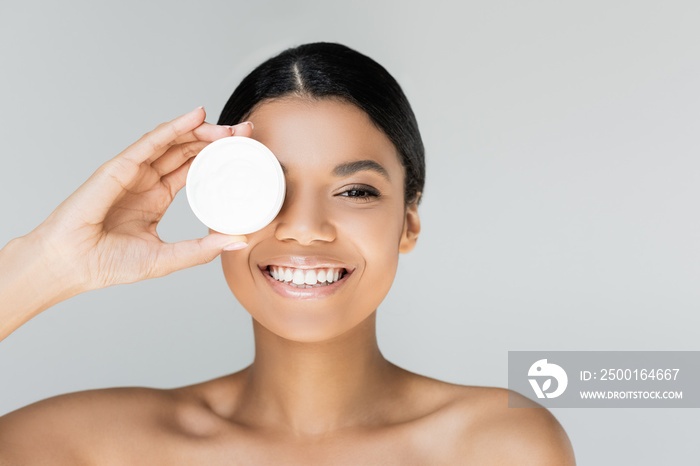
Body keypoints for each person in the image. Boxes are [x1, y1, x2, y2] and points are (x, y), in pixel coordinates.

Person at [0, 42, 575, 464]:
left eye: (355, 191)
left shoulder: (497, 446)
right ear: (215, 205)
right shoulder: (80, 448)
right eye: (266, 187)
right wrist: (45, 266)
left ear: (408, 223)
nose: (304, 229)